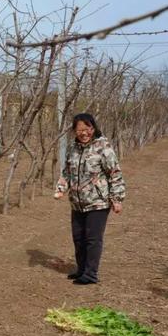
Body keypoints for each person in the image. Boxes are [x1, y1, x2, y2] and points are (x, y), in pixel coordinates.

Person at [54, 113, 126, 285]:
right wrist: (61, 189)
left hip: (98, 201)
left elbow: (114, 173)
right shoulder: (72, 148)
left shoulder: (103, 147)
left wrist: (117, 199)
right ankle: (81, 269)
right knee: (78, 238)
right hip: (77, 202)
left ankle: (90, 274)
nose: (84, 133)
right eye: (79, 130)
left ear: (93, 128)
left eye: (87, 129)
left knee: (92, 238)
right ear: (74, 131)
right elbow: (67, 172)